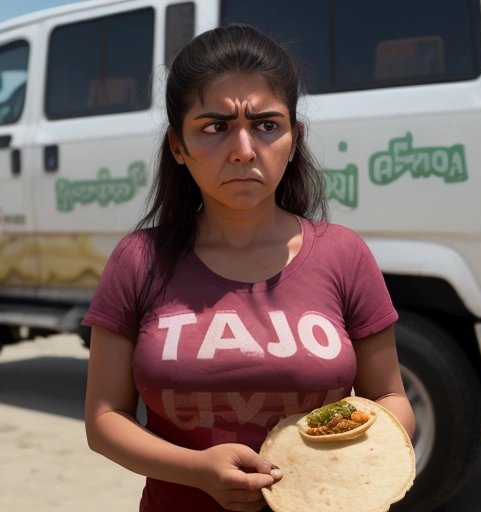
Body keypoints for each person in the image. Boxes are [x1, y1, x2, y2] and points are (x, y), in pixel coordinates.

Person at [83, 24, 415, 512]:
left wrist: (341, 458)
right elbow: (104, 419)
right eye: (214, 127)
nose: (243, 148)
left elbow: (392, 400)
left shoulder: (344, 254)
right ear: (179, 146)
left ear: (293, 138)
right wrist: (196, 471)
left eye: (266, 125)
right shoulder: (139, 261)